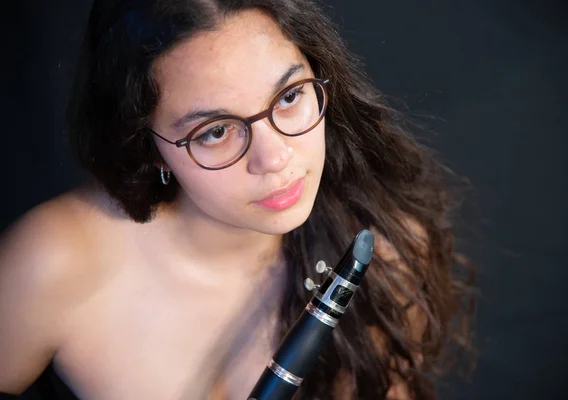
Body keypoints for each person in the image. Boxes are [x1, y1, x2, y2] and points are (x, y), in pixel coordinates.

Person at [0, 0, 475, 399]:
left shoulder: (387, 251)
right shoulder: (52, 262)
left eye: (289, 96)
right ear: (146, 144)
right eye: (217, 131)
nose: (275, 157)